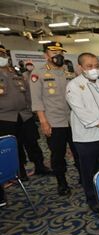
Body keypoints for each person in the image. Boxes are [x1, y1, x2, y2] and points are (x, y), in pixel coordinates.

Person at [66, 53, 99, 213]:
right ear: (80, 67)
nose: (94, 69)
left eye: (96, 65)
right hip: (86, 137)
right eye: (89, 66)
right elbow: (79, 109)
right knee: (89, 170)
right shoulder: (74, 86)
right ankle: (93, 199)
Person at [0, 45, 51, 207]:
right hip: (6, 117)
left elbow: (27, 93)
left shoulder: (14, 72)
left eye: (3, 53)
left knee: (32, 142)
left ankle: (40, 165)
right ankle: (19, 172)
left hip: (25, 115)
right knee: (15, 146)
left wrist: (32, 110)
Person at [29, 41, 80, 196]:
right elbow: (37, 100)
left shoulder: (69, 72)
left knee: (78, 151)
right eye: (53, 52)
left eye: (60, 52)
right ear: (46, 55)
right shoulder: (38, 73)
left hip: (74, 120)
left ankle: (83, 178)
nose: (58, 55)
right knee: (57, 155)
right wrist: (43, 121)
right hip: (53, 121)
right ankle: (62, 182)